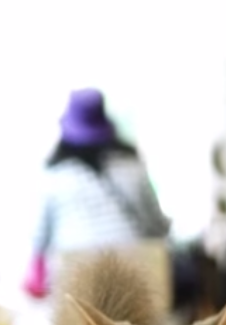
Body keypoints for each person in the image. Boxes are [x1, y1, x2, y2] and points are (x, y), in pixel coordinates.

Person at [28, 88, 172, 310]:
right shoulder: (131, 166)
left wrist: (35, 271)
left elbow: (39, 235)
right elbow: (156, 225)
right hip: (134, 267)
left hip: (75, 269)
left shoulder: (55, 175)